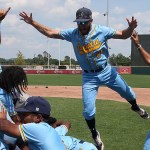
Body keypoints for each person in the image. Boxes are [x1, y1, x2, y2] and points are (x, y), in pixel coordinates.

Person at [19, 7, 149, 149]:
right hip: (89, 76)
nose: (81, 25)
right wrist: (32, 22)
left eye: (84, 22)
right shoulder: (73, 33)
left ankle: (135, 107)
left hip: (106, 70)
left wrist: (130, 28)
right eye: (79, 22)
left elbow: (123, 35)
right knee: (88, 110)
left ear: (91, 21)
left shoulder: (101, 30)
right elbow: (50, 33)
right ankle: (94, 134)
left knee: (129, 93)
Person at [0, 96, 66, 150]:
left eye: (24, 114)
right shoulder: (45, 129)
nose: (21, 117)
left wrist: (2, 118)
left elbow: (3, 125)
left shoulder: (38, 129)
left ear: (38, 117)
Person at [0, 65, 28, 149]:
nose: (18, 84)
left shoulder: (7, 91)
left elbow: (13, 115)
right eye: (17, 81)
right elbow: (6, 122)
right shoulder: (2, 95)